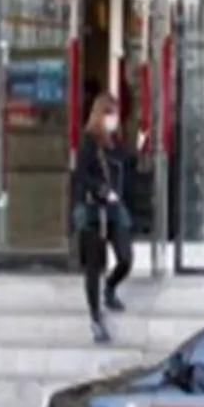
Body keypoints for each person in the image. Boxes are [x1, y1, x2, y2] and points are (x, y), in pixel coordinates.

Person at [72, 93, 134, 345]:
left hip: (114, 206)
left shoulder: (114, 142)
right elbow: (81, 176)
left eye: (116, 114)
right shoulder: (88, 142)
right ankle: (96, 317)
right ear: (100, 115)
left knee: (125, 257)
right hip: (93, 210)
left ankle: (110, 288)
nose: (114, 119)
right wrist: (100, 190)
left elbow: (124, 167)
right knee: (93, 267)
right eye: (110, 114)